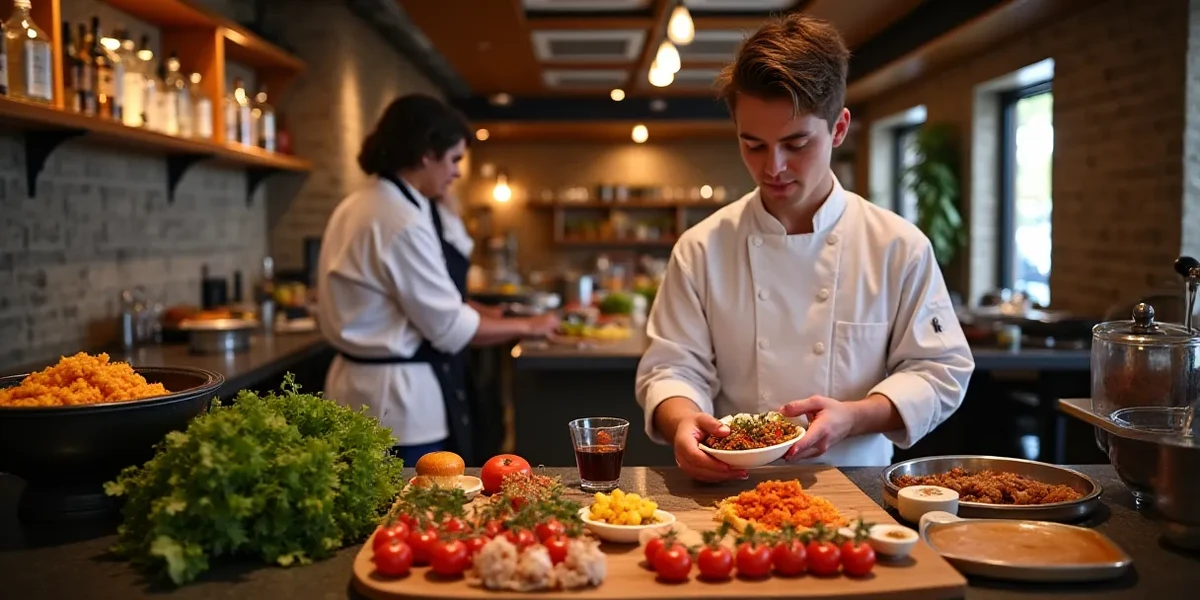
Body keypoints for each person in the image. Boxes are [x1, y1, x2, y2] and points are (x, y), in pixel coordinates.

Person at [635, 14, 975, 481]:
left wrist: (855, 415)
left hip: (859, 481)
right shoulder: (701, 248)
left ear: (839, 129)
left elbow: (939, 369)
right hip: (732, 484)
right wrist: (682, 422)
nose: (773, 166)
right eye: (753, 145)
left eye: (796, 143)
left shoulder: (898, 247)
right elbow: (670, 368)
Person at [317, 94, 559, 467]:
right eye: (454, 159)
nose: (458, 172)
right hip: (398, 405)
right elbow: (449, 326)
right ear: (426, 154)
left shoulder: (360, 204)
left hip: (357, 391)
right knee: (413, 497)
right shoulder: (400, 220)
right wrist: (531, 325)